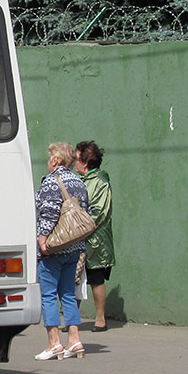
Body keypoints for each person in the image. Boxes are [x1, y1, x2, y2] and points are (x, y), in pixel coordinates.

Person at [34, 142, 91, 360]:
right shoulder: (79, 181)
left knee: (48, 295)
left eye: (50, 158)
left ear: (56, 160)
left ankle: (54, 343)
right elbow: (86, 211)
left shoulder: (51, 182)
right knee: (68, 293)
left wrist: (42, 240)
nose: (48, 162)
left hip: (53, 248)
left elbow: (48, 214)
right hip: (74, 246)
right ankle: (75, 341)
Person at [75, 141, 115, 332]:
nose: (74, 162)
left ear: (86, 161)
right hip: (78, 238)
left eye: (77, 158)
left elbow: (99, 212)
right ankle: (73, 318)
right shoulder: (79, 180)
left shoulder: (100, 181)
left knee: (96, 277)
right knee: (74, 278)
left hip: (95, 240)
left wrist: (81, 227)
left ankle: (100, 319)